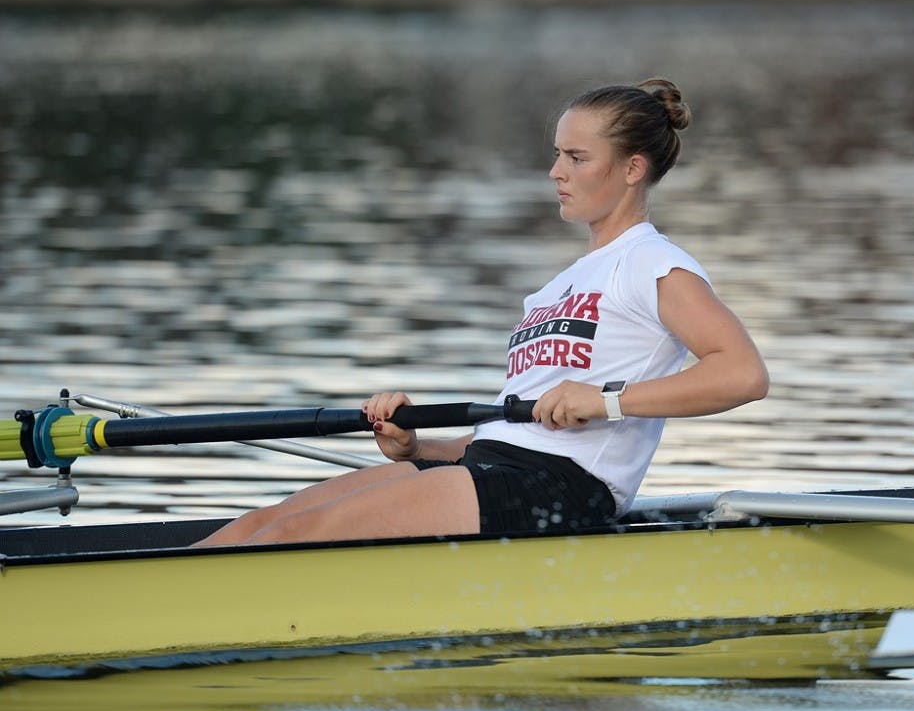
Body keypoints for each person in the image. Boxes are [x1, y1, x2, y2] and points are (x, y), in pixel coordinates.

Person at [196, 78, 769, 547]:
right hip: (496, 469)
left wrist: (607, 400)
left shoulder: (654, 263)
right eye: (557, 156)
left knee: (300, 534)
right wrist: (417, 448)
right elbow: (509, 437)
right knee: (258, 527)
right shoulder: (556, 290)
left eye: (576, 157)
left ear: (631, 169)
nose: (556, 172)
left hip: (560, 492)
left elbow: (742, 375)